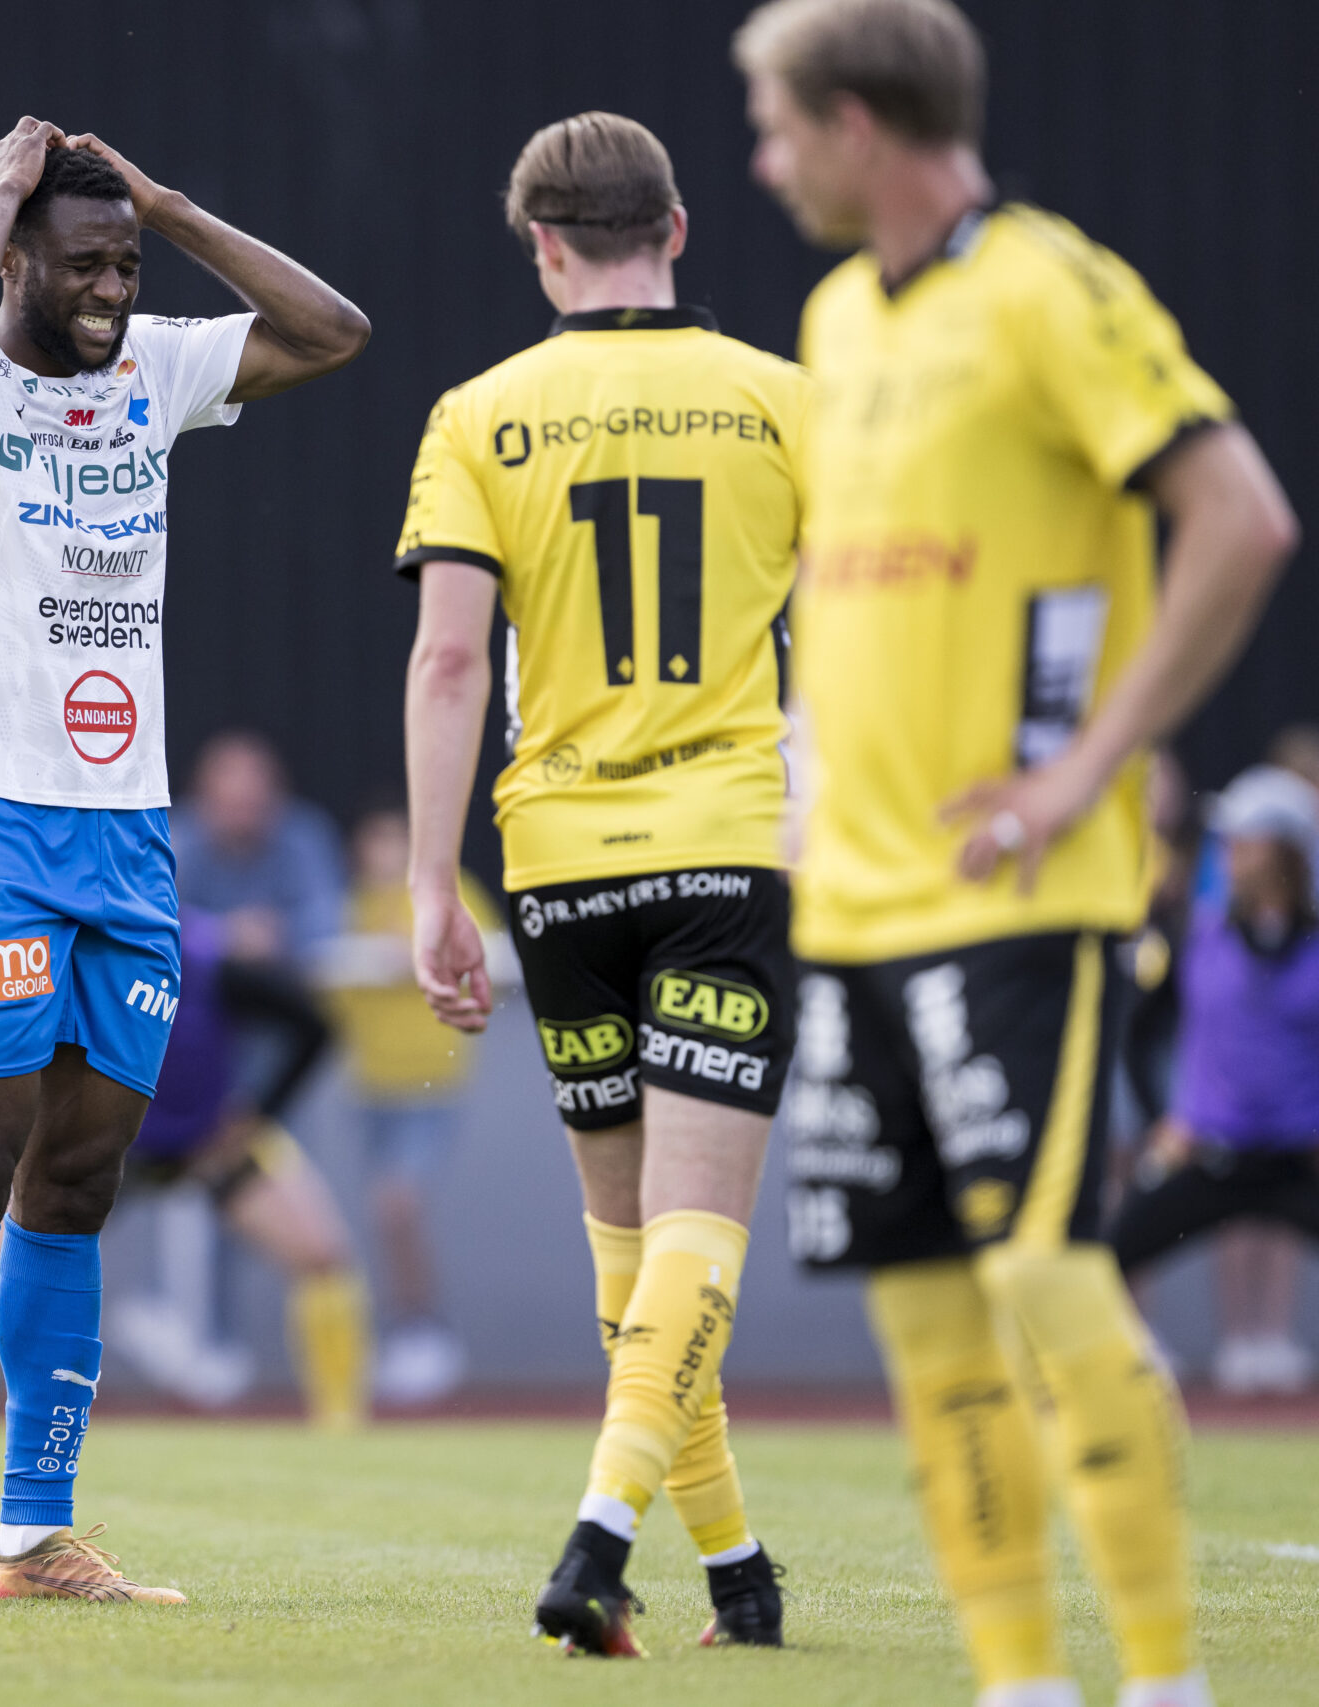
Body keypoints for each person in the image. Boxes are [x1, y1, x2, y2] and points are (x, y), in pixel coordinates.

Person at [739, 3, 1299, 1702]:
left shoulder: (1051, 286)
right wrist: (805, 781)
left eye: (777, 125)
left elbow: (1241, 517)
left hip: (1016, 897)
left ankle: (1165, 1675)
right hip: (855, 906)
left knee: (1052, 1273)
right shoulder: (837, 318)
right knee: (922, 1318)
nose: (765, 161)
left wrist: (1082, 776)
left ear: (856, 121)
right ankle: (1020, 1680)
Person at [0, 118, 367, 1607]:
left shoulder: (155, 367)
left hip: (127, 834)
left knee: (79, 1175)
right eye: (83, 264)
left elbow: (332, 332)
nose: (111, 289)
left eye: (125, 267)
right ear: (17, 260)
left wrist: (167, 206)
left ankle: (35, 1533)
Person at [401, 111, 805, 1653]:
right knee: (695, 1237)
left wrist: (431, 885)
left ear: (544, 247)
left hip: (560, 865)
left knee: (632, 1254)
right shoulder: (784, 399)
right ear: (678, 228)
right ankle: (599, 1537)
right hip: (724, 843)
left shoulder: (479, 414)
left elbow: (450, 661)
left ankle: (740, 1574)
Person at [113, 908, 368, 1429]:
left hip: (211, 1143)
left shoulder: (211, 964)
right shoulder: (75, 960)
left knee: (322, 1256)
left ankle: (343, 1427)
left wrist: (257, 1114)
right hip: (108, 1147)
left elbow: (314, 1024)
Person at [1111, 768, 1319, 1392]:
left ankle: (1263, 1341)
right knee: (1102, 1256)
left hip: (1300, 1160)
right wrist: (1164, 1120)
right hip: (1208, 1154)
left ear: (1285, 852)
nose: (1229, 856)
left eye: (1245, 843)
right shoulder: (1190, 934)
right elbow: (1138, 1033)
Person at [326, 803, 496, 1404]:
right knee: (383, 1216)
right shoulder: (352, 905)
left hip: (432, 1085)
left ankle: (424, 1331)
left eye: (396, 840)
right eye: (375, 841)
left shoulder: (454, 893)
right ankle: (406, 1332)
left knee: (397, 1205)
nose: (386, 853)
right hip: (370, 1088)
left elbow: (488, 962)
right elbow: (332, 994)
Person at [173, 732, 347, 967]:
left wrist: (279, 931)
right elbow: (155, 918)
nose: (243, 815)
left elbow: (331, 913)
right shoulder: (175, 838)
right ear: (201, 797)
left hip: (289, 978)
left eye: (252, 804)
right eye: (232, 805)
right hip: (195, 978)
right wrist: (223, 933)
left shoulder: (305, 834)